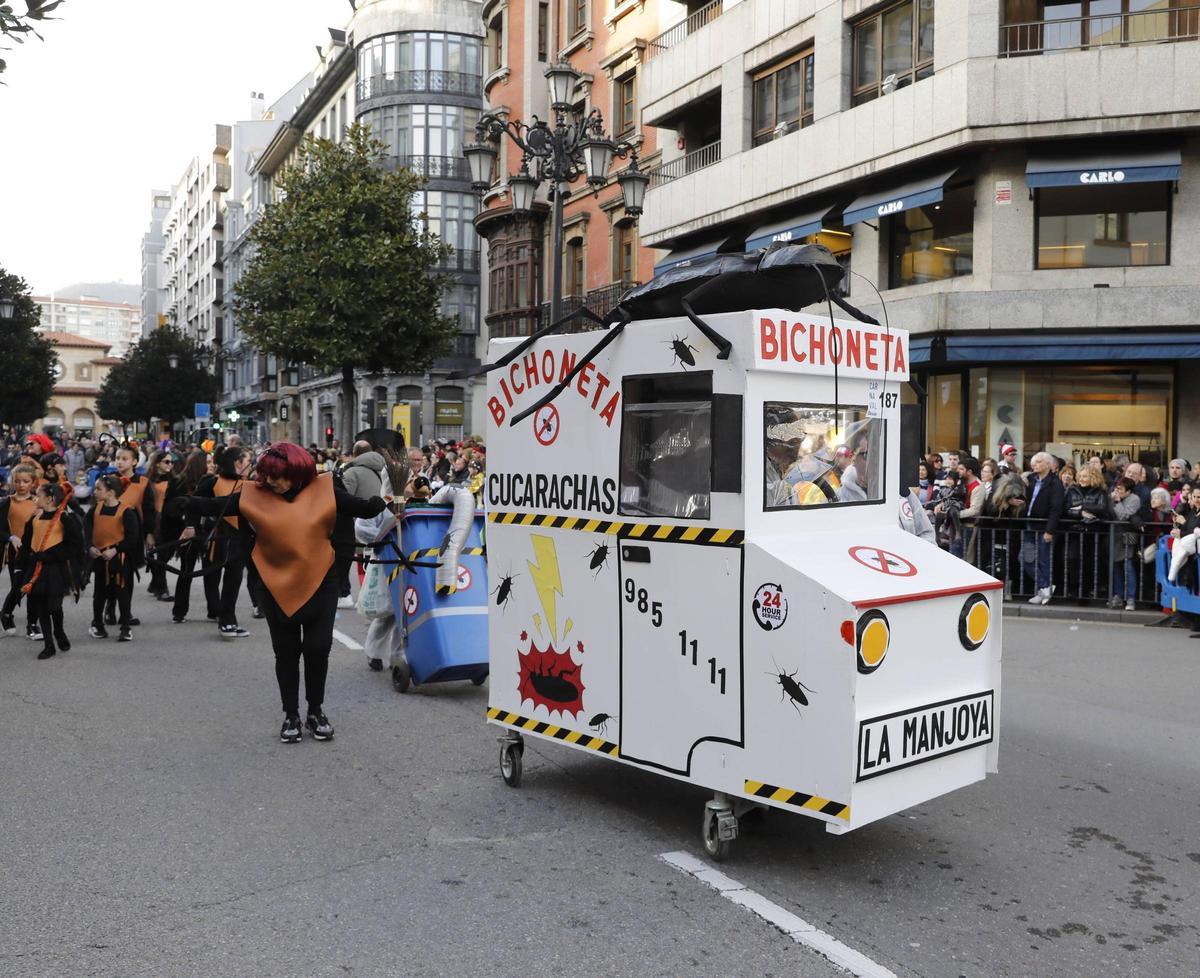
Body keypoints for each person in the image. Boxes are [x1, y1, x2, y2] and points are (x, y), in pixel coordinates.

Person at [182, 442, 386, 743]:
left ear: (296, 471)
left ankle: (315, 711)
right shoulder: (254, 494)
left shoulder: (325, 488)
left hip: (321, 581)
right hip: (274, 582)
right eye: (266, 475)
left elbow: (364, 508)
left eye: (276, 476)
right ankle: (290, 714)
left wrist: (392, 500)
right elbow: (209, 505)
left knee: (318, 649)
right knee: (286, 652)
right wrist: (182, 509)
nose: (270, 482)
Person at [194, 445, 253, 639]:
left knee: (234, 579)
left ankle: (227, 619)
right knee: (212, 575)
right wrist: (190, 527)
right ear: (238, 463)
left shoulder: (250, 485)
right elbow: (194, 504)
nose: (250, 464)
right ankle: (217, 611)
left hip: (239, 538)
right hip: (215, 537)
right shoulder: (211, 482)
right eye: (247, 461)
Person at [19, 482, 84, 660]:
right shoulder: (35, 518)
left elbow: (75, 546)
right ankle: (49, 644)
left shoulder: (65, 518)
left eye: (38, 495)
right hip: (36, 569)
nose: (35, 498)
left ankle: (59, 631)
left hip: (55, 569)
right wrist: (21, 566)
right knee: (40, 607)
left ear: (49, 499)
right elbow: (26, 544)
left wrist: (50, 555)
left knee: (54, 606)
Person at [85, 474, 140, 642]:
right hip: (100, 557)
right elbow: (86, 530)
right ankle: (97, 624)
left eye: (98, 489)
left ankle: (125, 627)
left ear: (110, 492)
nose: (95, 492)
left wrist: (116, 549)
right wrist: (90, 547)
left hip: (119, 559)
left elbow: (133, 537)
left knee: (122, 593)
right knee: (99, 593)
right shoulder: (95, 509)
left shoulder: (127, 511)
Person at [167, 450, 210, 624]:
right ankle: (211, 609)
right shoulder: (189, 482)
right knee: (197, 571)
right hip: (191, 531)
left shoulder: (179, 481)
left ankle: (179, 611)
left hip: (193, 531)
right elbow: (171, 508)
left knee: (187, 572)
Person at [0, 464, 39, 638]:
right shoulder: (7, 502)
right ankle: (6, 613)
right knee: (18, 587)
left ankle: (32, 625)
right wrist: (11, 537)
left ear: (33, 483)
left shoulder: (39, 501)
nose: (21, 485)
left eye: (25, 481)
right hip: (16, 553)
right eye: (17, 481)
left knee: (34, 588)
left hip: (36, 552)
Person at [1023, 451, 1065, 605]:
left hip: (1043, 527)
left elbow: (1056, 509)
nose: (1035, 464)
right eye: (1033, 462)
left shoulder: (1055, 483)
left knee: (1043, 560)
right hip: (1029, 525)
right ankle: (1045, 586)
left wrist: (1049, 530)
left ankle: (1043, 590)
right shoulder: (1030, 480)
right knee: (1025, 558)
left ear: (1048, 464)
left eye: (1039, 462)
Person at [145, 450, 178, 601]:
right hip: (155, 519)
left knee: (165, 554)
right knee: (159, 555)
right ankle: (162, 588)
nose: (170, 465)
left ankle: (155, 584)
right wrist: (148, 531)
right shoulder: (148, 481)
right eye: (166, 461)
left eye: (171, 462)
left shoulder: (175, 480)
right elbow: (146, 504)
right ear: (157, 463)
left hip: (171, 521)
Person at [1110, 477, 1142, 611]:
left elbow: (1123, 516)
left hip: (1127, 537)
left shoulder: (1134, 499)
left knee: (1127, 566)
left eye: (1120, 489)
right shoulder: (1112, 497)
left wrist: (1117, 502)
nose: (1117, 491)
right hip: (1114, 536)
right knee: (1116, 566)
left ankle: (1130, 597)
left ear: (1128, 491)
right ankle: (1118, 595)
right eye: (1116, 488)